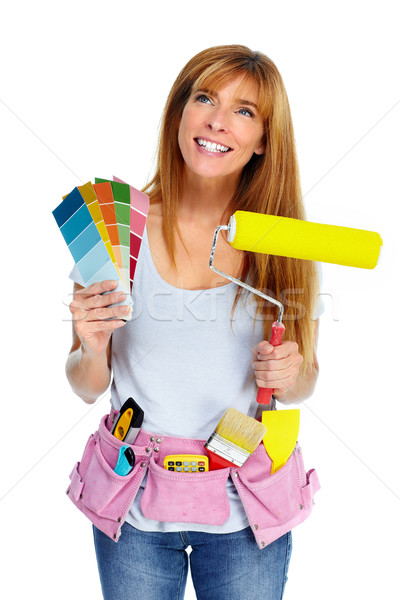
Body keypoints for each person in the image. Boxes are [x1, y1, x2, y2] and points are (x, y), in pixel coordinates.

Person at [66, 45, 322, 600]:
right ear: (179, 112)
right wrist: (90, 346)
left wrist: (289, 369)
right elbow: (86, 384)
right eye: (204, 97)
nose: (217, 120)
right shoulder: (116, 228)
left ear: (263, 142)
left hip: (246, 508)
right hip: (132, 503)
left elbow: (304, 383)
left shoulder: (283, 245)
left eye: (245, 111)